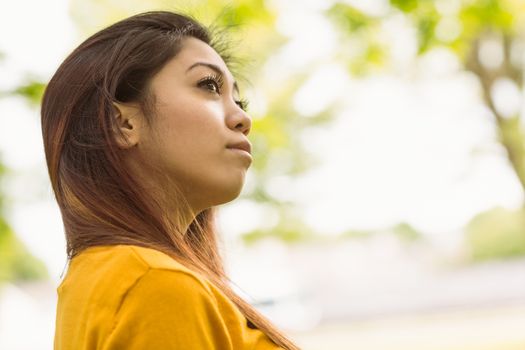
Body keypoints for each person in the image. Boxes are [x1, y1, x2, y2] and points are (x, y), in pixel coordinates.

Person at [41, 10, 299, 350]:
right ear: (123, 124)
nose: (242, 118)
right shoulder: (155, 283)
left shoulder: (100, 278)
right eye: (208, 86)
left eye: (238, 100)